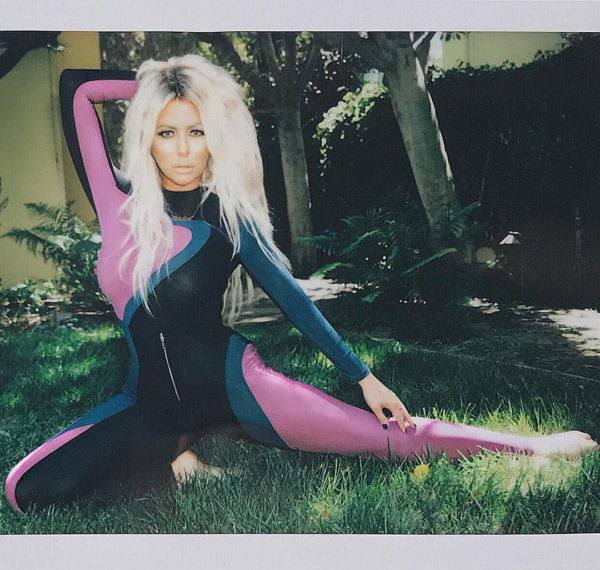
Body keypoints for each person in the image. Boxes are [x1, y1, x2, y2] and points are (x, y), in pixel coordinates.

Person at [4, 55, 597, 514]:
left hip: (235, 386)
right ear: (146, 137)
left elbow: (292, 299)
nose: (183, 150)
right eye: (166, 132)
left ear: (213, 136)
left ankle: (534, 447)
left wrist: (363, 377)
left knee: (390, 440)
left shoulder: (226, 217)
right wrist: (164, 81)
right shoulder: (118, 204)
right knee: (24, 491)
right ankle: (176, 456)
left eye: (197, 130)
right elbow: (77, 89)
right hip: (149, 404)